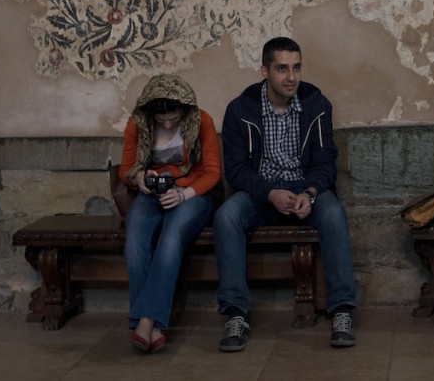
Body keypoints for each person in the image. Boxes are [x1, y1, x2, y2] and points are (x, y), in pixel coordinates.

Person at [214, 37, 357, 351]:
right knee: (226, 216)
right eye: (282, 68)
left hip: (304, 189)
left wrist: (310, 191)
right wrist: (269, 192)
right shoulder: (240, 110)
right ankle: (235, 314)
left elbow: (324, 162)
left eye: (296, 68)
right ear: (265, 71)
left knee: (333, 213)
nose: (291, 76)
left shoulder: (316, 105)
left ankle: (342, 310)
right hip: (261, 192)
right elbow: (236, 170)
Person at [118, 74, 222, 353]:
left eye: (173, 118)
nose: (167, 124)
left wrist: (183, 194)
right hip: (151, 194)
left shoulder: (202, 121)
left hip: (192, 194)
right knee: (134, 241)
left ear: (184, 109)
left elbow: (212, 173)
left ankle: (146, 321)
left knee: (171, 238)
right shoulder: (137, 124)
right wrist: (138, 177)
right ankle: (154, 328)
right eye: (161, 120)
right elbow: (125, 168)